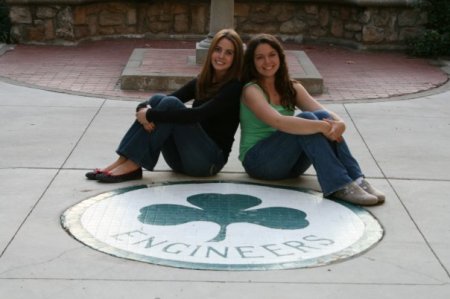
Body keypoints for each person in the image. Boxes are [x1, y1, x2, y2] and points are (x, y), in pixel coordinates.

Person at [239, 33, 385, 206]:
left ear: (280, 57)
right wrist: (322, 127)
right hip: (259, 162)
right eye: (260, 57)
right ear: (252, 62)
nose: (267, 61)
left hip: (290, 166)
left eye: (272, 55)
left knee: (321, 117)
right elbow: (278, 121)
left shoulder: (291, 87)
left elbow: (323, 112)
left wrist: (339, 124)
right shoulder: (251, 90)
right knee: (308, 120)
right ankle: (339, 185)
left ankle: (357, 179)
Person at [86, 29, 244, 183]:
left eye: (229, 53)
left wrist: (150, 115)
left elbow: (198, 114)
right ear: (211, 52)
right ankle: (122, 161)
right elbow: (168, 98)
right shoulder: (203, 80)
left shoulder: (234, 87)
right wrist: (143, 109)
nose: (221, 56)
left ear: (236, 59)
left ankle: (133, 165)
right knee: (157, 99)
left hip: (208, 163)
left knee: (168, 105)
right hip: (180, 161)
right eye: (218, 49)